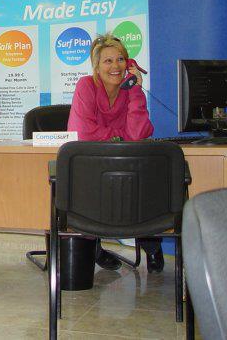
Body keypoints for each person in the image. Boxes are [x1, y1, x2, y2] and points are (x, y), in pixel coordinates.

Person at [67, 33, 164, 273]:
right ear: (97, 67)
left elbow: (138, 133)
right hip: (91, 163)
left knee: (144, 178)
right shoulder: (86, 86)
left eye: (120, 59)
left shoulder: (130, 90)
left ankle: (151, 243)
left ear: (129, 64)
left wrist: (136, 90)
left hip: (123, 163)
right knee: (94, 184)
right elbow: (84, 133)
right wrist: (121, 136)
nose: (115, 66)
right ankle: (93, 244)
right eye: (108, 61)